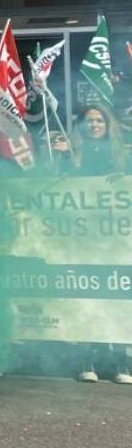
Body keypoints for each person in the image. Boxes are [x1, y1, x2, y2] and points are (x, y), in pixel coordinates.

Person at [66, 104, 130, 384]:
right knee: (87, 296)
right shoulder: (71, 157)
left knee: (116, 296)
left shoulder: (122, 156)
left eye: (99, 120)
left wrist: (123, 180)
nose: (94, 125)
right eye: (89, 121)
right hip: (83, 237)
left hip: (115, 239)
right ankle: (86, 358)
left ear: (107, 124)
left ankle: (120, 362)